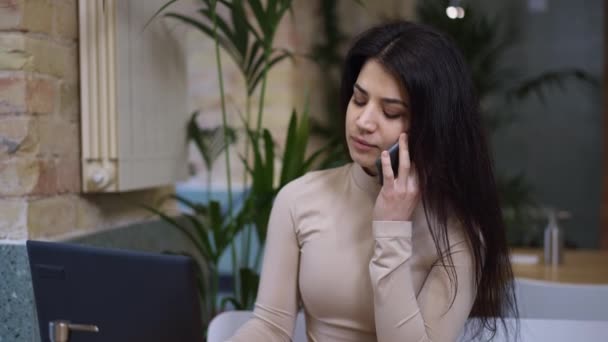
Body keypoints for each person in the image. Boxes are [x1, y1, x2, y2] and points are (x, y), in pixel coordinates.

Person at [228, 21, 517, 342]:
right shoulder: (298, 199)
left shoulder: (457, 233)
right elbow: (270, 327)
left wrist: (392, 230)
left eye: (390, 112)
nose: (363, 122)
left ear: (432, 126)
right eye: (359, 99)